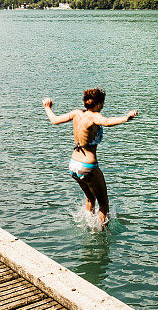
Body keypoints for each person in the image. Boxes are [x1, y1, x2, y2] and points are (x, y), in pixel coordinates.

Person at [42, 88, 137, 229]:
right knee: (103, 204)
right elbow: (106, 121)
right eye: (103, 103)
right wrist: (126, 118)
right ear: (98, 104)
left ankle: (89, 226)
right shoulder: (94, 116)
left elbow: (55, 120)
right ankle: (101, 235)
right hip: (88, 167)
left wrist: (47, 107)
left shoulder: (76, 113)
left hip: (74, 165)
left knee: (90, 198)